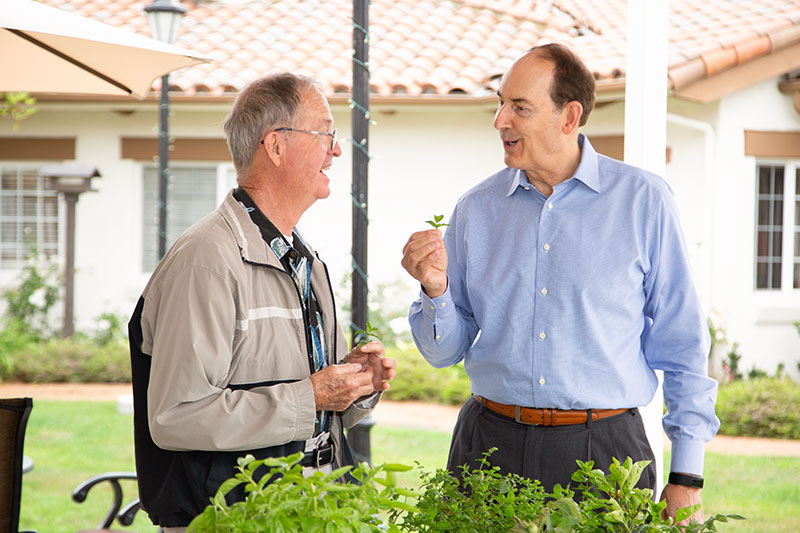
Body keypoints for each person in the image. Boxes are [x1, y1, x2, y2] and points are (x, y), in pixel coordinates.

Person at [401, 43, 718, 524]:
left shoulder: (644, 202)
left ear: (570, 116)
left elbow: (683, 343)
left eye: (520, 107)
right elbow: (444, 352)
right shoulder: (475, 210)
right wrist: (435, 291)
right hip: (487, 449)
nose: (500, 121)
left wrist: (687, 478)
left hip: (607, 455)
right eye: (501, 104)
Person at [129, 72, 396, 531]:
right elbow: (176, 417)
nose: (336, 150)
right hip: (231, 518)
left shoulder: (303, 257)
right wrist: (312, 395)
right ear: (275, 146)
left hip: (307, 509)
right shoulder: (206, 260)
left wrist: (351, 383)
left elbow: (305, 402)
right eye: (325, 134)